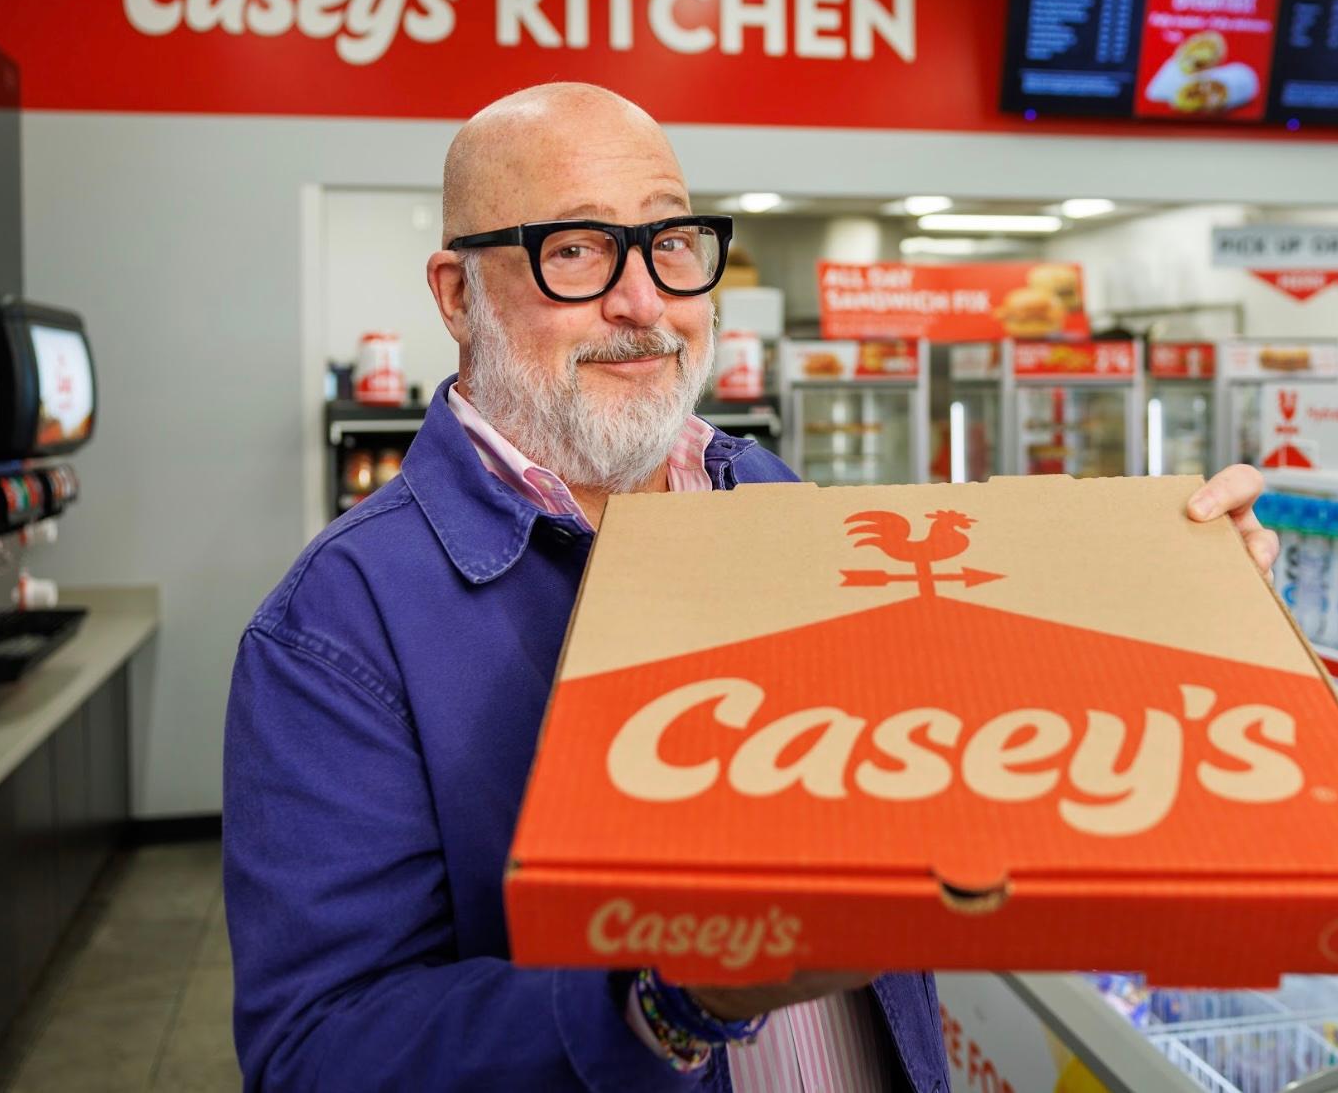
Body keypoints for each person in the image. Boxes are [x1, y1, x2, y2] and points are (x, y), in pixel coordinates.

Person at [224, 83, 1279, 1092]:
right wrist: (665, 998)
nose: (643, 303)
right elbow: (319, 1052)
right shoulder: (336, 628)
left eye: (670, 242)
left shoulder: (774, 501)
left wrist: (1170, 609)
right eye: (578, 249)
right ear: (458, 294)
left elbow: (959, 740)